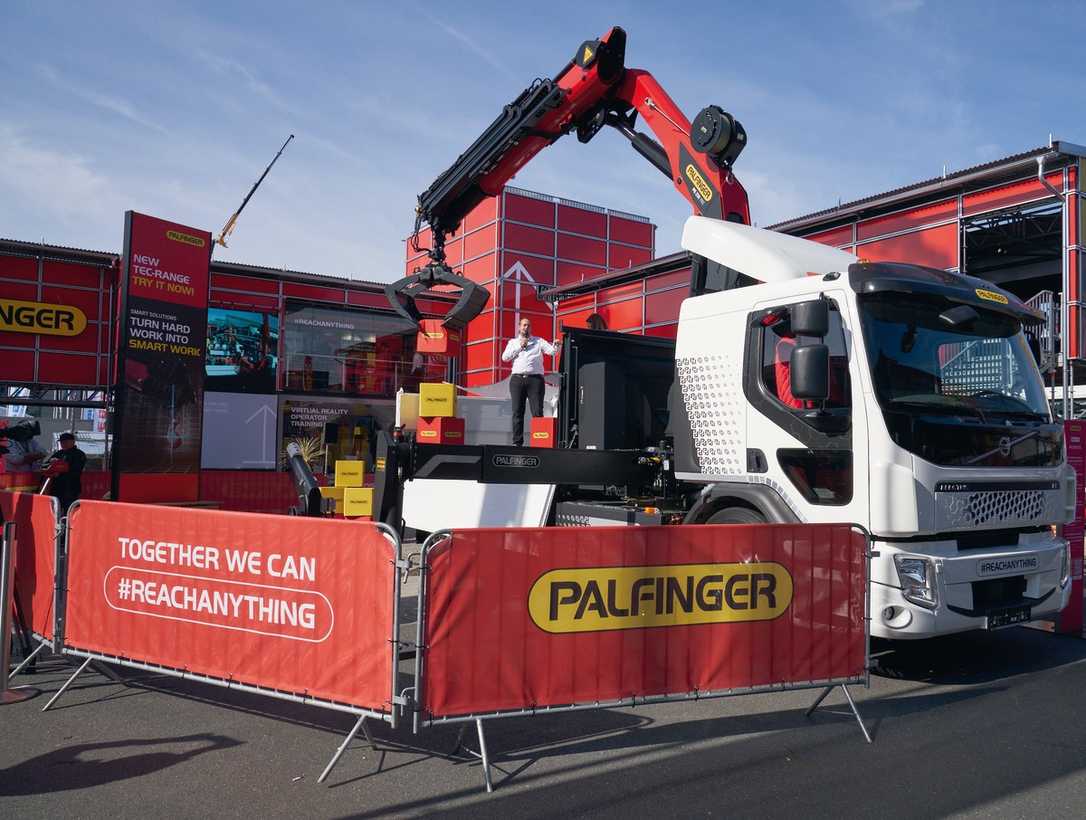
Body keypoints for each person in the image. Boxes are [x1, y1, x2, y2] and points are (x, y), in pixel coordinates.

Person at [501, 318, 559, 446]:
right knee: (517, 411)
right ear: (519, 327)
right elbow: (505, 358)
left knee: (537, 411)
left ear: (530, 328)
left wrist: (555, 345)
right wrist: (520, 347)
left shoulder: (538, 341)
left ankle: (539, 441)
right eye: (524, 325)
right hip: (517, 379)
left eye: (528, 325)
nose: (526, 328)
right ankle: (517, 442)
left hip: (535, 380)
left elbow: (552, 351)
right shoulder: (513, 342)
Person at [43, 432, 86, 513]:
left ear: (73, 442)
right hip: (57, 487)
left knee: (70, 510)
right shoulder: (58, 453)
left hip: (71, 487)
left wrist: (61, 467)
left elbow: (76, 469)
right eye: (62, 442)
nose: (63, 444)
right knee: (55, 509)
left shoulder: (79, 454)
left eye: (66, 441)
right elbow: (45, 464)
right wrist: (52, 464)